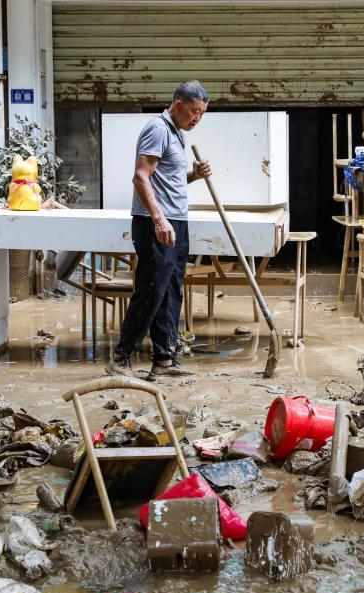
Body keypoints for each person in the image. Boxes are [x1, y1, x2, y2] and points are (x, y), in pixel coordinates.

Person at [108, 81, 211, 377]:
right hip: (157, 223)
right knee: (152, 290)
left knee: (170, 290)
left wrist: (194, 175)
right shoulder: (157, 128)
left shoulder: (176, 133)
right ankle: (122, 356)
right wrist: (158, 219)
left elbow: (167, 179)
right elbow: (141, 178)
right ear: (177, 105)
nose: (196, 119)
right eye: (193, 112)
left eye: (201, 114)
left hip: (176, 220)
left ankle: (163, 358)